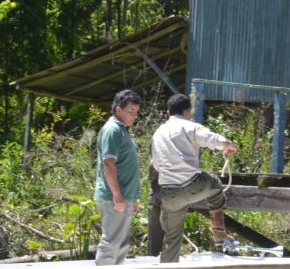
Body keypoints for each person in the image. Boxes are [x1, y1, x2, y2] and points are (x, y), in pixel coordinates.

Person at [151, 93, 237, 263]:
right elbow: (211, 139)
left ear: (168, 112)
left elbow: (154, 162)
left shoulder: (157, 133)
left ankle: (167, 266)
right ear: (187, 111)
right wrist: (227, 145)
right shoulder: (191, 127)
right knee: (214, 182)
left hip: (168, 193)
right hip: (192, 185)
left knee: (172, 238)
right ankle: (219, 233)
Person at [93, 89, 142, 266]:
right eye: (131, 111)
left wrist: (132, 198)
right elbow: (108, 163)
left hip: (124, 196)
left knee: (121, 244)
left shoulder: (122, 130)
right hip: (113, 197)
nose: (135, 116)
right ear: (118, 110)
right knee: (111, 242)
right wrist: (117, 195)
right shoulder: (112, 130)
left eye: (136, 112)